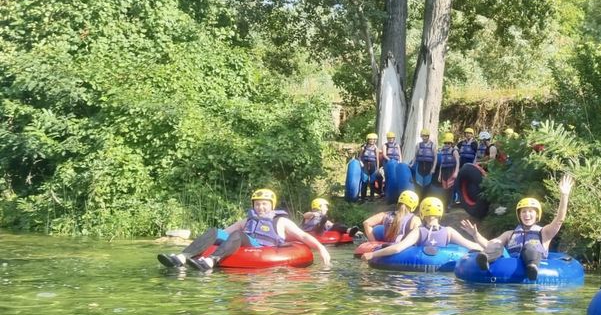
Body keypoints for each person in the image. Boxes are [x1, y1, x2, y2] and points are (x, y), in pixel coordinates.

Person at [157, 188, 331, 271]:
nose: (260, 208)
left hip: (262, 248)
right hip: (241, 243)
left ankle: (211, 261)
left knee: (239, 234)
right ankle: (181, 257)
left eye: (264, 204)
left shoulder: (281, 220)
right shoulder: (246, 220)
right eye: (257, 204)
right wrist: (202, 242)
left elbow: (302, 235)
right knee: (214, 230)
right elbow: (222, 234)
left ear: (271, 205)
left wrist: (321, 248)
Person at [461, 173, 574, 281]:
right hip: (510, 266)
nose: (527, 215)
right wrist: (476, 235)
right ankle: (485, 259)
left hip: (536, 264)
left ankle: (532, 267)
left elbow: (559, 220)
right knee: (497, 245)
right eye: (524, 212)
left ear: (537, 215)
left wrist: (564, 195)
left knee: (530, 246)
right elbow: (489, 244)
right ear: (519, 215)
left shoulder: (544, 233)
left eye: (530, 211)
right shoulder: (509, 234)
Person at [363, 197, 482, 262]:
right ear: (440, 213)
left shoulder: (419, 231)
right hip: (442, 273)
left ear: (422, 213)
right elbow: (471, 245)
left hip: (418, 276)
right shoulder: (449, 231)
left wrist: (373, 254)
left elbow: (398, 248)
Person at [435, 132, 460, 201]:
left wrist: (456, 172)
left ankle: (449, 204)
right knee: (445, 189)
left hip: (451, 170)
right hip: (444, 171)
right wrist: (440, 175)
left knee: (451, 188)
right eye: (445, 143)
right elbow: (441, 164)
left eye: (449, 143)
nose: (447, 144)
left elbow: (458, 163)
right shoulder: (443, 151)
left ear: (451, 143)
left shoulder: (454, 151)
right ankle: (445, 203)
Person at [359, 132, 384, 200]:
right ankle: (362, 197)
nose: (372, 141)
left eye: (374, 139)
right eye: (370, 139)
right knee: (365, 180)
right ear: (368, 140)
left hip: (373, 164)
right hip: (365, 164)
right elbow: (360, 157)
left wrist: (377, 168)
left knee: (372, 180)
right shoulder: (364, 147)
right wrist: (360, 162)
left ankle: (372, 197)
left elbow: (377, 159)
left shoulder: (375, 148)